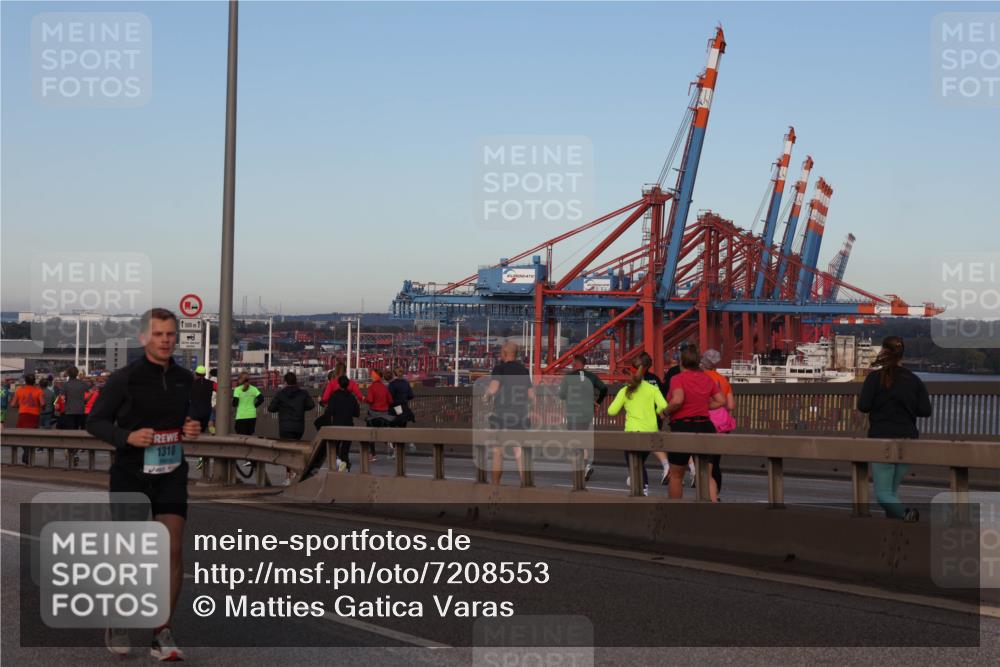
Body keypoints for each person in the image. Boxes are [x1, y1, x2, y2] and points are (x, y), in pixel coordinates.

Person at [86, 307, 200, 660]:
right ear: (143, 338)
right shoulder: (124, 378)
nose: (165, 340)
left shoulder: (186, 379)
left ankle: (161, 632)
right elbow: (96, 422)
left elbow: (193, 419)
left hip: (170, 472)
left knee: (172, 548)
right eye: (158, 334)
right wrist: (127, 437)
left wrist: (193, 429)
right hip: (131, 472)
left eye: (170, 334)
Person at [857, 336, 931, 522]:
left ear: (883, 352)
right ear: (901, 355)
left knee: (883, 494)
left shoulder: (874, 378)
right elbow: (925, 411)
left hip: (882, 440)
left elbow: (864, 406)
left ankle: (907, 515)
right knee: (891, 492)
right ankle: (895, 529)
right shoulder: (914, 380)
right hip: (907, 440)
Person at [666, 344, 726, 501]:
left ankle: (674, 513)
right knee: (705, 474)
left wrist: (665, 411)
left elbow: (678, 400)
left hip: (682, 427)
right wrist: (704, 406)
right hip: (705, 426)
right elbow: (721, 401)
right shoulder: (707, 379)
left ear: (681, 363)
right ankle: (713, 509)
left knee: (676, 475)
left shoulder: (677, 379)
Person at [607, 353, 667, 496]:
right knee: (640, 462)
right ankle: (642, 487)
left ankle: (643, 488)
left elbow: (611, 411)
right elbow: (664, 405)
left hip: (632, 432)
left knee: (635, 463)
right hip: (650, 432)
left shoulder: (626, 390)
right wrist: (657, 411)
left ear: (632, 370)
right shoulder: (653, 389)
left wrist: (626, 406)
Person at [485, 341, 534, 485]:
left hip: (501, 415)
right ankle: (525, 485)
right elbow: (531, 396)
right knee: (519, 452)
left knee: (497, 451)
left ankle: (495, 487)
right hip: (520, 415)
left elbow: (493, 389)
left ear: (504, 353)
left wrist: (486, 395)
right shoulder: (524, 371)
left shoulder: (499, 369)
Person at [558, 354, 608, 481]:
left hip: (573, 413)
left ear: (575, 363)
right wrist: (598, 402)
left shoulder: (568, 377)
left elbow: (562, 395)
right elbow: (604, 388)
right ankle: (586, 466)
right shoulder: (591, 377)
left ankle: (581, 468)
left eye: (572, 362)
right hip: (587, 413)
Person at [306, 375, 361, 477]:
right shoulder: (352, 397)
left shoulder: (334, 396)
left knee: (335, 447)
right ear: (348, 384)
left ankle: (339, 463)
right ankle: (345, 467)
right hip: (349, 425)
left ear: (338, 384)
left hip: (337, 426)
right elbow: (356, 413)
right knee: (345, 449)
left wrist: (322, 404)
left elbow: (329, 412)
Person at [698, 348, 735, 492]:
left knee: (705, 461)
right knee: (716, 461)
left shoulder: (701, 378)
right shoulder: (723, 380)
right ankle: (717, 491)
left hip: (705, 421)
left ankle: (707, 493)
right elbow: (731, 405)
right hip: (723, 425)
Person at [11, 374, 45, 463]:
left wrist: (20, 405)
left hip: (23, 415)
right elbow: (42, 403)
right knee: (32, 435)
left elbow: (13, 404)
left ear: (25, 381)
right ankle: (27, 452)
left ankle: (25, 451)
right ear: (34, 381)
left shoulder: (19, 390)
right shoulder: (38, 391)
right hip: (34, 416)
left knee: (21, 434)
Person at [363, 369, 393, 461]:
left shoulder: (372, 387)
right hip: (385, 415)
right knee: (384, 433)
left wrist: (364, 399)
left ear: (374, 376)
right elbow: (391, 401)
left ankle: (373, 454)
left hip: (374, 415)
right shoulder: (385, 387)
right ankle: (390, 445)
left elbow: (370, 400)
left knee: (371, 434)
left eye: (372, 375)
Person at [189, 366, 214, 433]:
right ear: (205, 374)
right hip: (207, 411)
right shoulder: (211, 383)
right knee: (202, 431)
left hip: (194, 412)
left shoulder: (191, 383)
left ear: (196, 373)